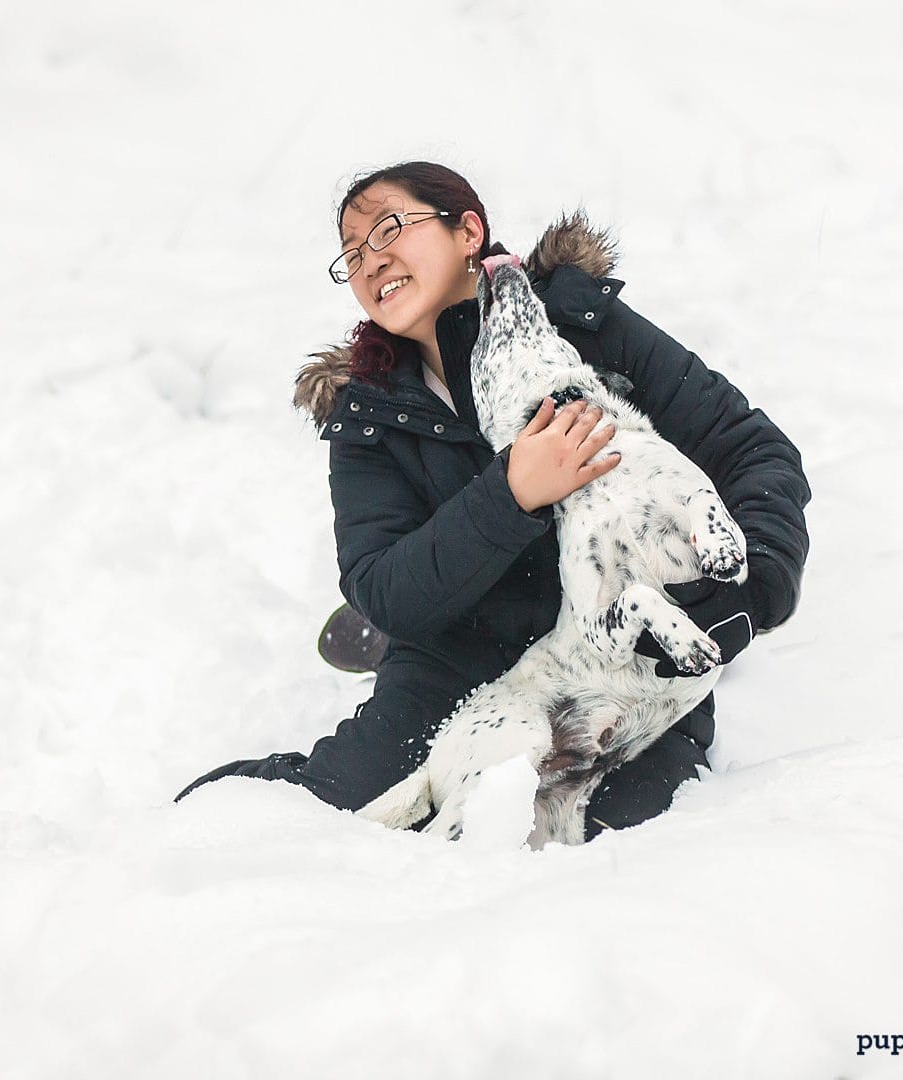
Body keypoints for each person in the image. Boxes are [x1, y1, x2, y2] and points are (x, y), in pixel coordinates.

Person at [175, 161, 811, 839]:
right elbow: (383, 585)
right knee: (337, 816)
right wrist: (512, 494)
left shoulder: (583, 328)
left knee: (613, 841)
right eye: (352, 254)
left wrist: (756, 588)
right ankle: (377, 651)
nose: (370, 261)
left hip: (617, 663)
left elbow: (753, 450)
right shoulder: (367, 415)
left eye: (389, 227)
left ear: (467, 230)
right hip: (459, 664)